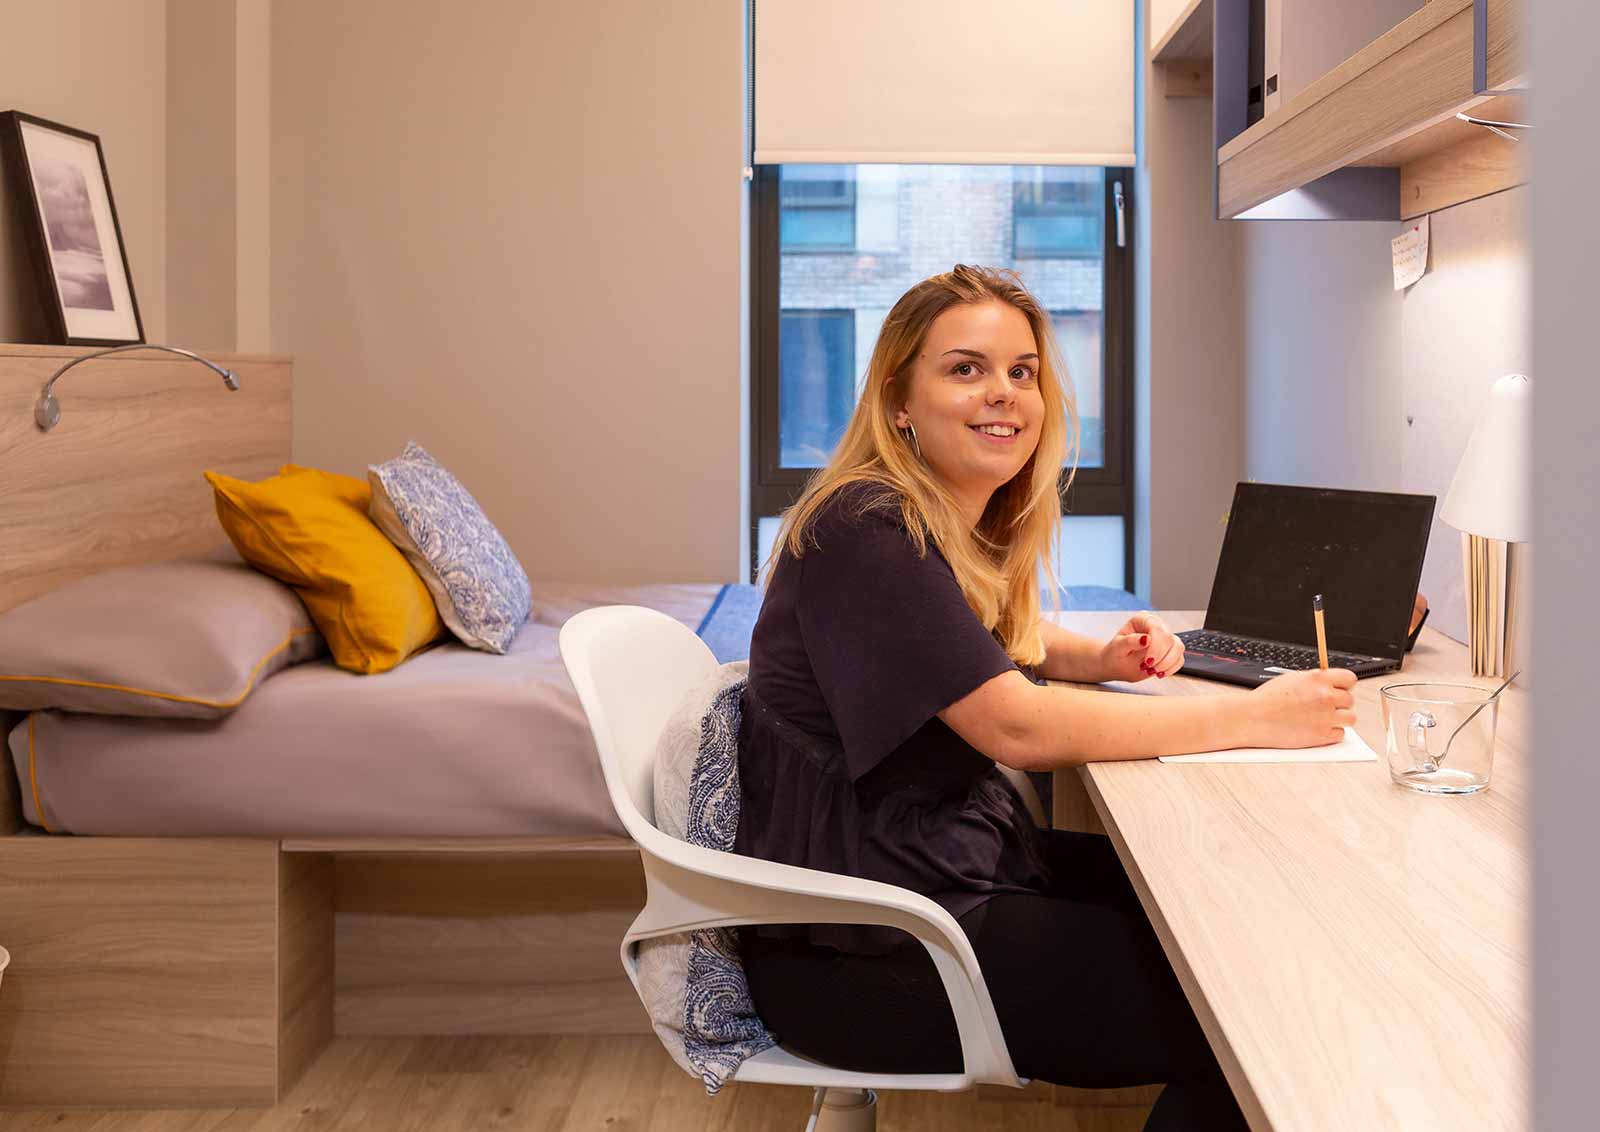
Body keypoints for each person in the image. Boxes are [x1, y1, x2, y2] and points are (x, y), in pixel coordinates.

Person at [734, 265, 1356, 1131]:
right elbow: (1013, 723)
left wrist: (1097, 655)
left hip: (927, 880)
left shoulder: (927, 520)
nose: (1005, 394)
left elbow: (976, 641)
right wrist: (1259, 714)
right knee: (1255, 1022)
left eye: (1022, 371)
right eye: (966, 368)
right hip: (873, 942)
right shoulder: (868, 530)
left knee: (1245, 921)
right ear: (898, 399)